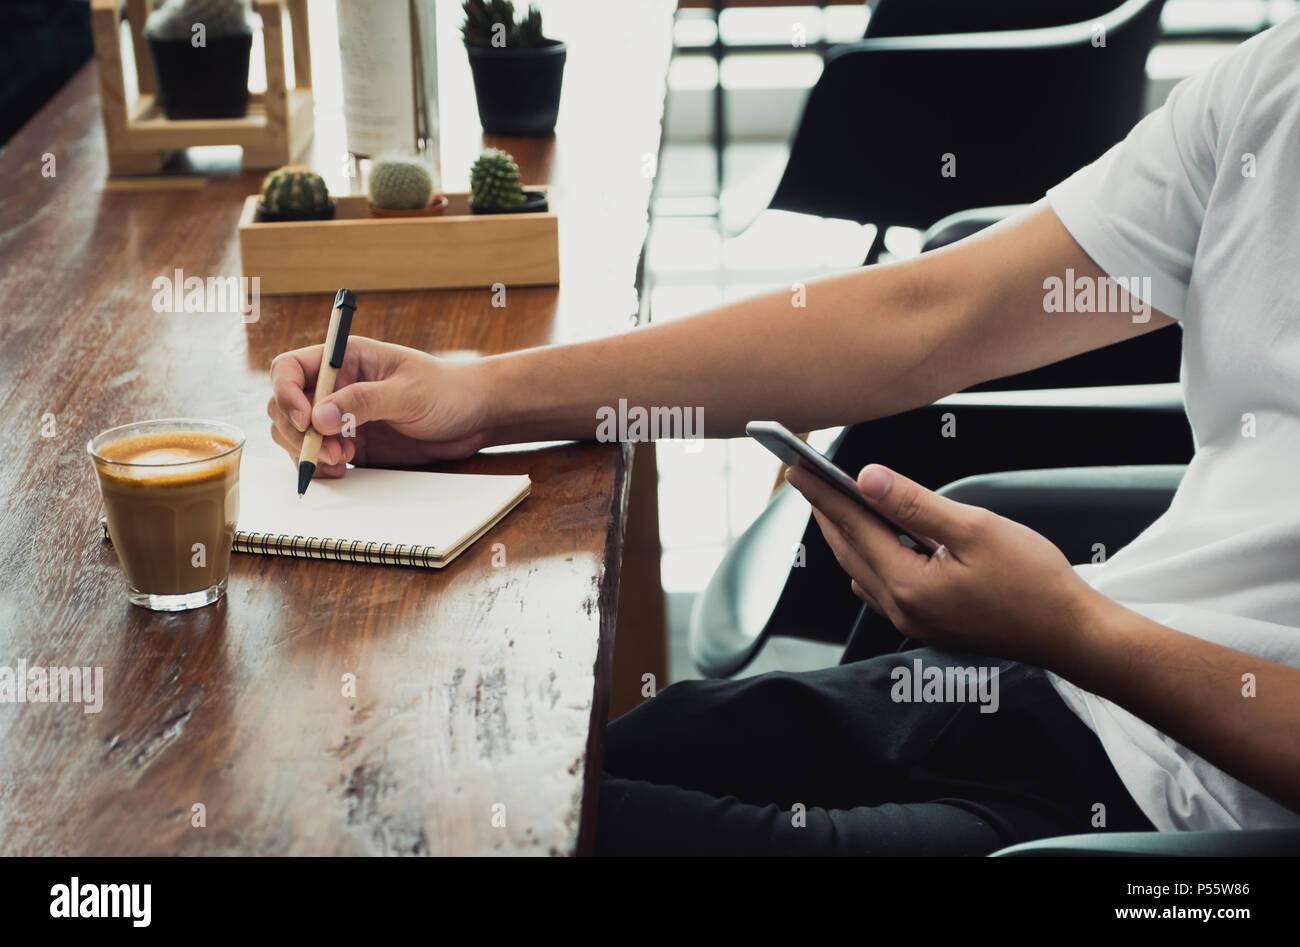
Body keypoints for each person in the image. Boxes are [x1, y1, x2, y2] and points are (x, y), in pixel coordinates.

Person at [267, 19, 1300, 853]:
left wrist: (1069, 624)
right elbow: (925, 315)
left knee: (475, 834)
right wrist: (482, 397)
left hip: (1189, 812)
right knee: (538, 771)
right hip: (1073, 690)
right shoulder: (1273, 83)